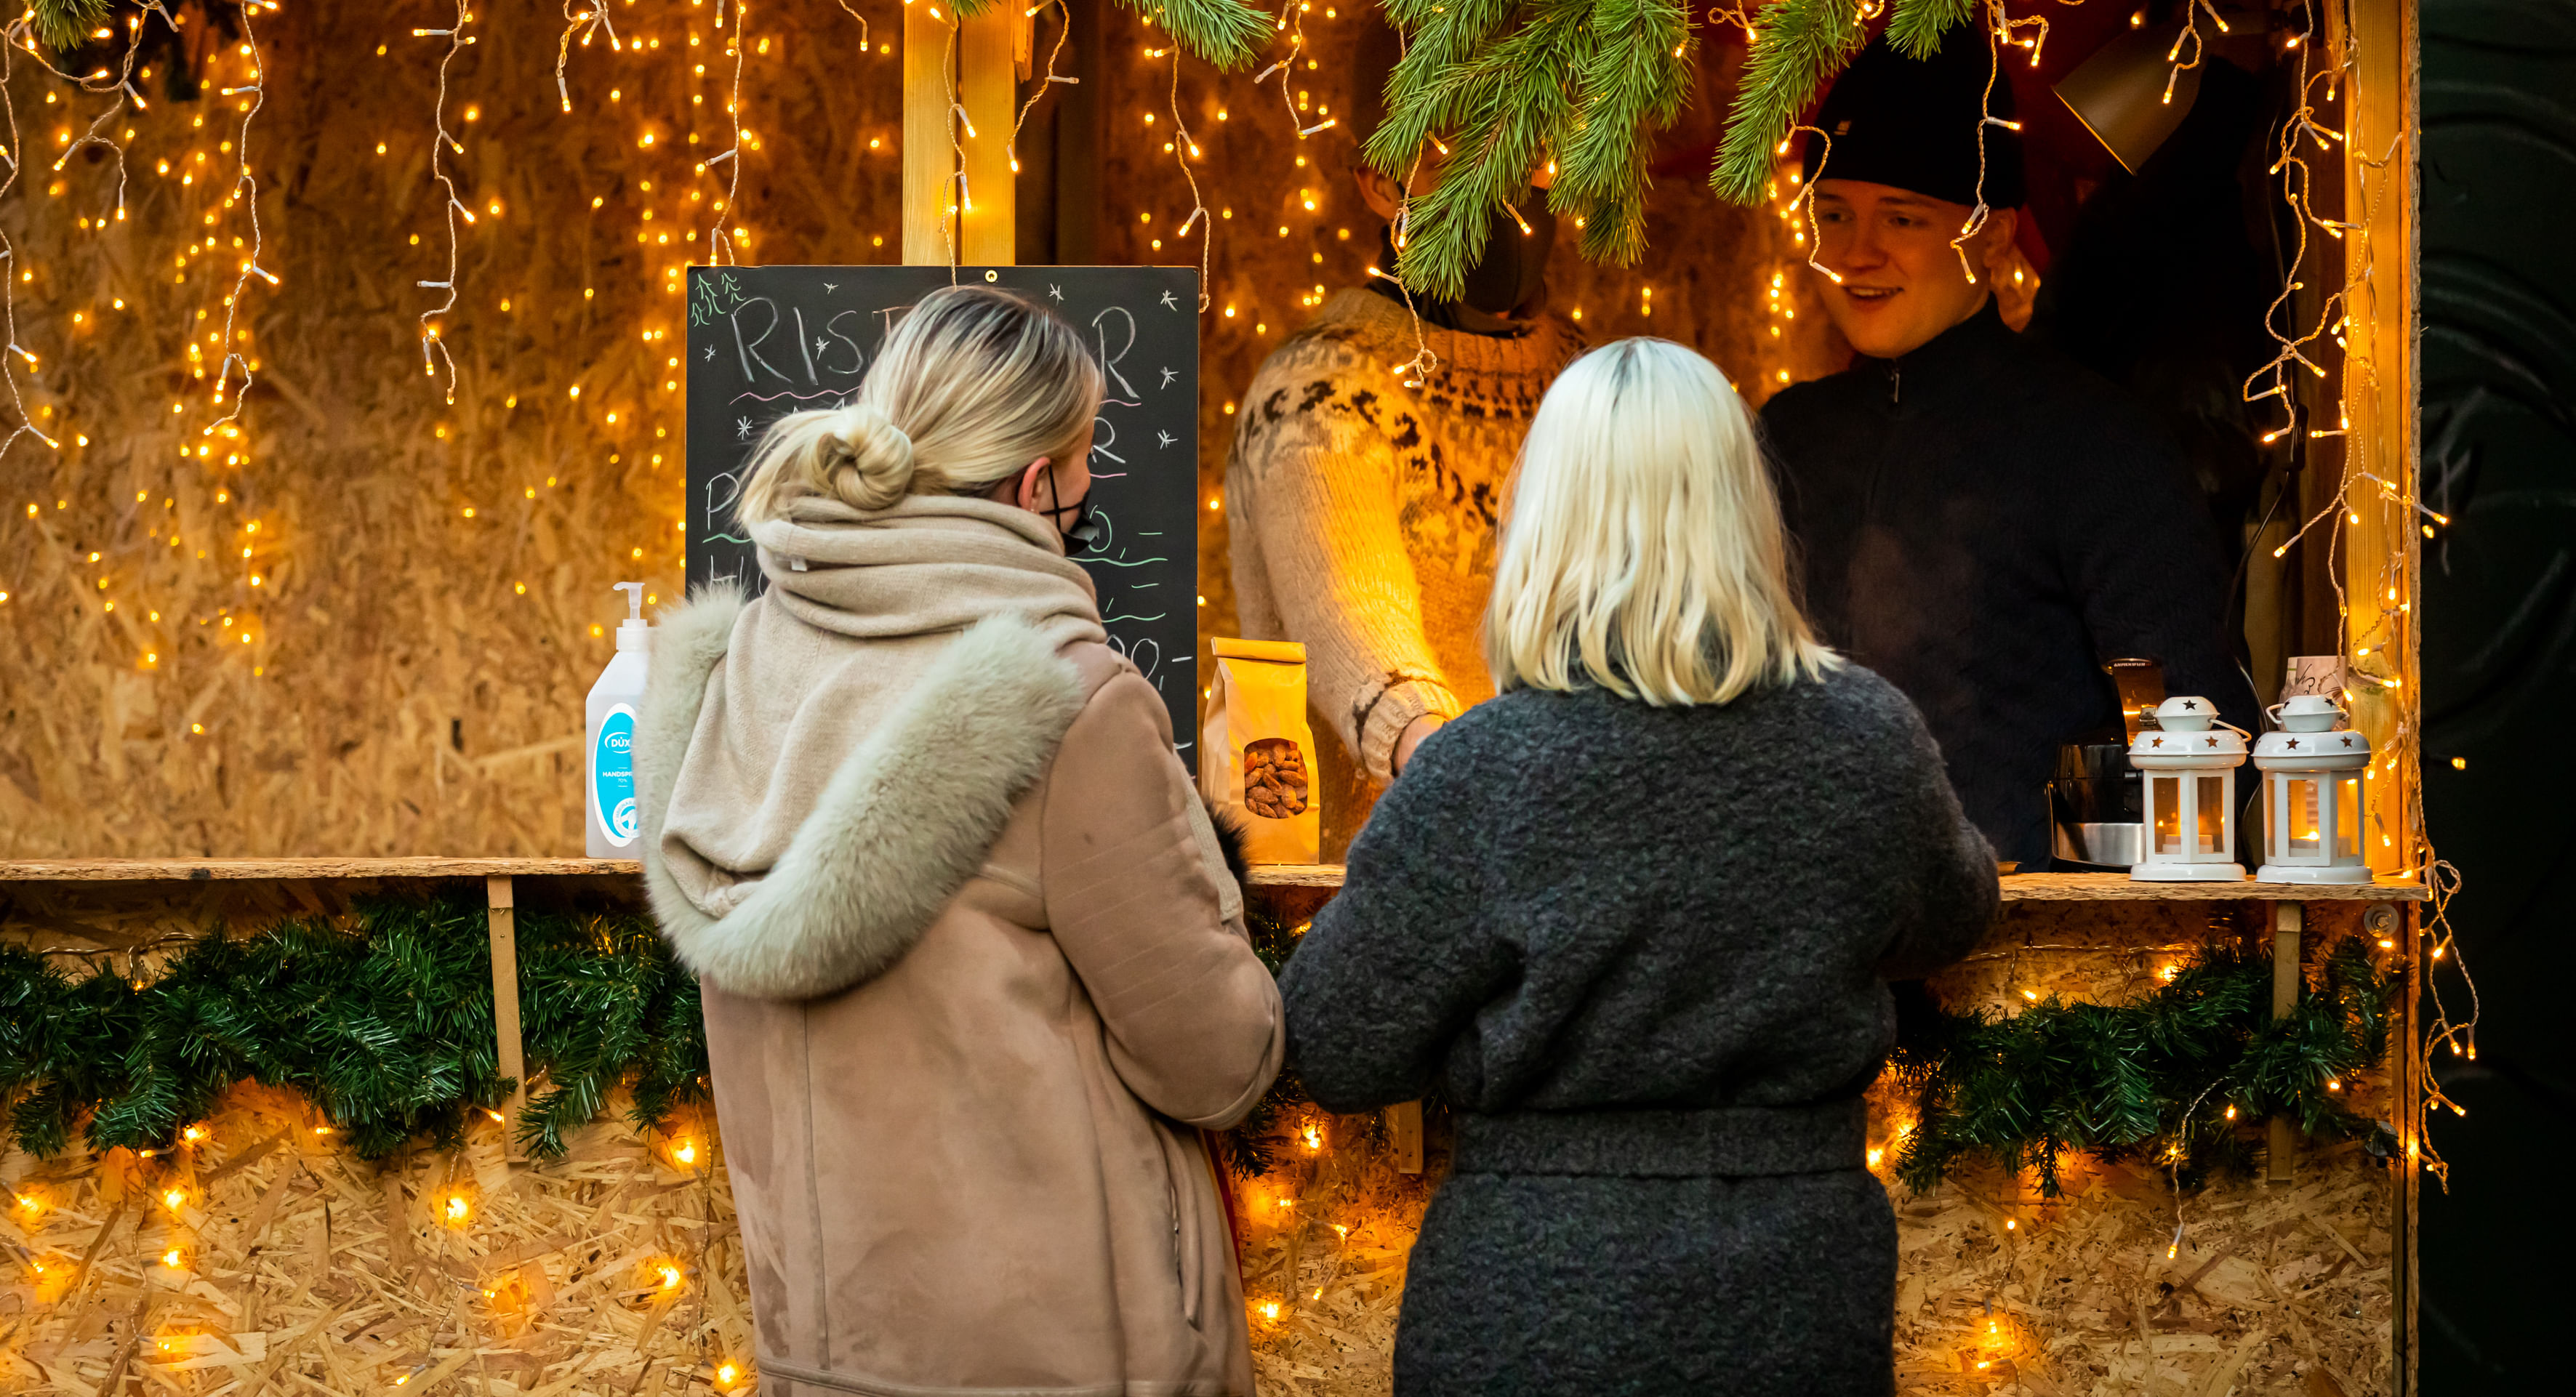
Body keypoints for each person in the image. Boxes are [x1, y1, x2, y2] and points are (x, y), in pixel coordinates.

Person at [1280, 337, 2000, 1397]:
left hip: (1528, 1299)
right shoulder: (1864, 738)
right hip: (1790, 1297)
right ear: (1742, 514)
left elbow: (1335, 1046)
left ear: (1543, 522)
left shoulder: (1481, 769)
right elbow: (1953, 910)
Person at [635, 287, 1283, 1397]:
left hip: (831, 1359)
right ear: (1035, 488)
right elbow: (1216, 1059)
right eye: (1081, 487)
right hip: (1074, 1358)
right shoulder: (1071, 702)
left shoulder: (727, 678)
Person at [1761, 31, 2259, 870]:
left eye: (1903, 217)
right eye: (1835, 212)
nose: (1856, 253)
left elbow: (2196, 730)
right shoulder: (1784, 434)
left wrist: (2058, 878)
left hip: (2028, 961)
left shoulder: (2094, 443)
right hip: (1802, 945)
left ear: (1994, 238)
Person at [1225, 158, 1581, 844]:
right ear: (1380, 184)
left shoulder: (1583, 380)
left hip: (1561, 880)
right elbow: (1352, 611)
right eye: (1457, 152)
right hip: (1371, 889)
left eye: (1529, 151)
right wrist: (1438, 753)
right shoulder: (1316, 391)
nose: (1506, 187)